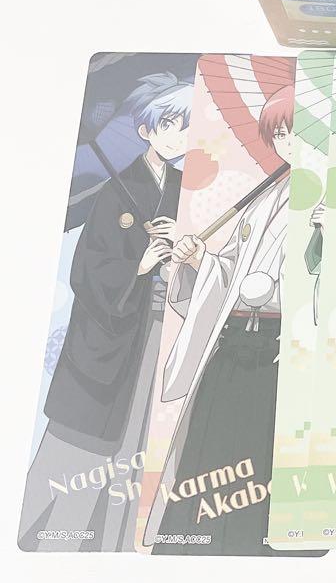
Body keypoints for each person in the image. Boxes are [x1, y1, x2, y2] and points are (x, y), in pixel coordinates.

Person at [19, 73, 192, 552]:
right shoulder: (115, 191)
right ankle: (53, 537)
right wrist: (140, 264)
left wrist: (181, 249)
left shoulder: (185, 191)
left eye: (187, 126)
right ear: (147, 130)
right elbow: (86, 269)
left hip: (156, 333)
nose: (180, 135)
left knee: (136, 441)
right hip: (109, 338)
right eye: (170, 124)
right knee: (79, 447)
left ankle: (115, 541)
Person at [148, 86, 294, 555]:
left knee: (259, 451)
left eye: (299, 132)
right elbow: (229, 268)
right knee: (211, 445)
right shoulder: (264, 196)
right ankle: (193, 544)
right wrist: (200, 260)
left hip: (281, 346)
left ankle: (250, 543)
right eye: (281, 134)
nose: (289, 143)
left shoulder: (330, 200)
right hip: (234, 339)